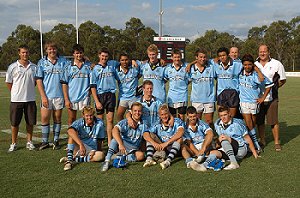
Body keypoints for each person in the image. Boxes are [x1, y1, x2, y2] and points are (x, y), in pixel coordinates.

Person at [198, 106, 259, 171]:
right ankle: (203, 165)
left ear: (229, 114)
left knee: (224, 139)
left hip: (240, 149)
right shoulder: (217, 124)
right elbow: (217, 140)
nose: (223, 117)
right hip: (229, 151)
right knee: (213, 152)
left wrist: (254, 153)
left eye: (225, 115)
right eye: (221, 115)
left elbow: (247, 138)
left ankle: (234, 163)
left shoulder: (238, 123)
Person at [36, 41, 68, 150]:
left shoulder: (63, 61)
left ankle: (56, 140)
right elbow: (39, 81)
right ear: (46, 50)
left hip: (59, 95)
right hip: (47, 95)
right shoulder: (41, 62)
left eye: (54, 48)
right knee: (45, 118)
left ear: (56, 49)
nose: (52, 51)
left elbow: (76, 62)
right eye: (50, 49)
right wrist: (43, 96)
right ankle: (44, 141)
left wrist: (87, 61)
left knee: (57, 118)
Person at [254, 44, 286, 151]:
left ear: (268, 52)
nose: (262, 53)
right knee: (260, 121)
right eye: (260, 51)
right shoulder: (254, 64)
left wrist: (274, 89)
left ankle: (277, 142)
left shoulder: (276, 64)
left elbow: (282, 80)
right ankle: (262, 140)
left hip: (272, 98)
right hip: (258, 98)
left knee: (273, 121)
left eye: (264, 51)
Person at [6, 44, 37, 152]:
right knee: (14, 123)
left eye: (27, 52)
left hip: (30, 99)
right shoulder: (12, 67)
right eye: (23, 52)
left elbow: (34, 83)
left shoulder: (34, 67)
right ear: (19, 53)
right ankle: (13, 143)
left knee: (30, 122)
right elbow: (9, 83)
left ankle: (29, 142)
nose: (25, 54)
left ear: (29, 53)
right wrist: (16, 93)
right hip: (16, 100)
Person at [239, 54, 273, 152]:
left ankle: (250, 142)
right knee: (249, 123)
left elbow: (269, 85)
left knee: (252, 124)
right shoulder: (240, 73)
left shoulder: (256, 75)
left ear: (252, 65)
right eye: (245, 65)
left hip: (254, 103)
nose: (247, 67)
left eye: (249, 64)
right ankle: (255, 145)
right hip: (243, 102)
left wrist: (262, 98)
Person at [101, 102, 148, 172]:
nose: (137, 113)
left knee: (141, 156)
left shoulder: (144, 124)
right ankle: (107, 160)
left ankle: (117, 157)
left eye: (139, 111)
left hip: (133, 149)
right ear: (131, 112)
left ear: (142, 112)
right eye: (135, 111)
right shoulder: (125, 122)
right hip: (122, 145)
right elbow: (114, 130)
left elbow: (146, 136)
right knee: (114, 140)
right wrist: (120, 144)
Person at [61, 106, 106, 171]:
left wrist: (97, 151)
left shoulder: (100, 123)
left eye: (91, 115)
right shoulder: (79, 122)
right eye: (87, 116)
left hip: (91, 149)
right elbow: (69, 131)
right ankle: (69, 162)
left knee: (101, 156)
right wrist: (81, 145)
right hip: (79, 147)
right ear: (83, 115)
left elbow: (100, 140)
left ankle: (73, 158)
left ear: (93, 115)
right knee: (72, 135)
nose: (89, 118)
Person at [90, 47, 119, 145]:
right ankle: (100, 140)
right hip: (100, 95)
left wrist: (133, 61)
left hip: (111, 95)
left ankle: (110, 140)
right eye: (102, 56)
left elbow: (123, 62)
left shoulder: (112, 64)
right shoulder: (95, 69)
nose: (104, 58)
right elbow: (93, 86)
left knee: (110, 120)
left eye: (106, 56)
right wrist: (97, 101)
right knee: (100, 121)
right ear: (99, 56)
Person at [143, 104, 184, 170]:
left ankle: (168, 161)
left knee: (180, 139)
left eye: (166, 114)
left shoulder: (177, 121)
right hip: (163, 147)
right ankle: (149, 159)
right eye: (162, 115)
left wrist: (167, 143)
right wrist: (154, 143)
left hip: (174, 147)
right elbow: (145, 133)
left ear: (169, 114)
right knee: (150, 135)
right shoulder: (157, 123)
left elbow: (180, 132)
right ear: (159, 116)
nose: (164, 116)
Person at [61, 44, 92, 126]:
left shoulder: (88, 66)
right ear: (73, 54)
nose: (79, 55)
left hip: (85, 97)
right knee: (71, 118)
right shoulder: (68, 66)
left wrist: (89, 93)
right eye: (77, 53)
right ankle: (72, 137)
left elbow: (92, 82)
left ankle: (85, 137)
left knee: (87, 118)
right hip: (72, 97)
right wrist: (66, 99)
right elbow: (64, 83)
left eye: (81, 53)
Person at [187, 48, 215, 128]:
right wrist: (190, 64)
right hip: (196, 99)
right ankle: (198, 139)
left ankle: (210, 138)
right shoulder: (191, 69)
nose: (203, 59)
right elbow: (187, 82)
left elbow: (217, 59)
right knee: (196, 121)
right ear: (196, 57)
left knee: (209, 122)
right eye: (200, 57)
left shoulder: (211, 66)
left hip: (209, 99)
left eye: (204, 57)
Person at [213, 47, 243, 118]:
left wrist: (259, 73)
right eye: (220, 56)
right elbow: (200, 59)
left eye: (223, 55)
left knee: (232, 117)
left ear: (228, 55)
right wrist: (190, 64)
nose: (222, 57)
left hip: (233, 93)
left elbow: (250, 64)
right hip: (221, 93)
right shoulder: (215, 64)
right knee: (222, 116)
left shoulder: (238, 64)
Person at [181, 106, 214, 171]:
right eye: (190, 117)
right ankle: (190, 162)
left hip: (203, 146)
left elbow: (210, 133)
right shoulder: (184, 126)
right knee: (183, 146)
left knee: (209, 137)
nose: (192, 118)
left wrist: (203, 149)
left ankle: (202, 157)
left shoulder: (202, 123)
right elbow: (189, 142)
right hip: (193, 148)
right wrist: (197, 153)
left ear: (196, 115)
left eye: (194, 116)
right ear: (187, 116)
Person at [115, 53, 141, 122]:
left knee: (135, 117)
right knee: (119, 115)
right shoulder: (116, 71)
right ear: (119, 61)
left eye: (126, 60)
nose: (124, 62)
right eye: (122, 60)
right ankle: (123, 129)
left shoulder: (135, 68)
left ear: (129, 60)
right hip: (123, 97)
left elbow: (144, 63)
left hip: (134, 97)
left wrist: (134, 60)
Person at [164, 48, 189, 120]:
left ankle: (182, 130)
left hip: (182, 96)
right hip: (172, 97)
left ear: (181, 57)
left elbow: (188, 80)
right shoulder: (168, 68)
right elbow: (165, 79)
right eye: (175, 57)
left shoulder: (186, 67)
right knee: (172, 118)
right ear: (172, 57)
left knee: (181, 118)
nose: (177, 59)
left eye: (178, 57)